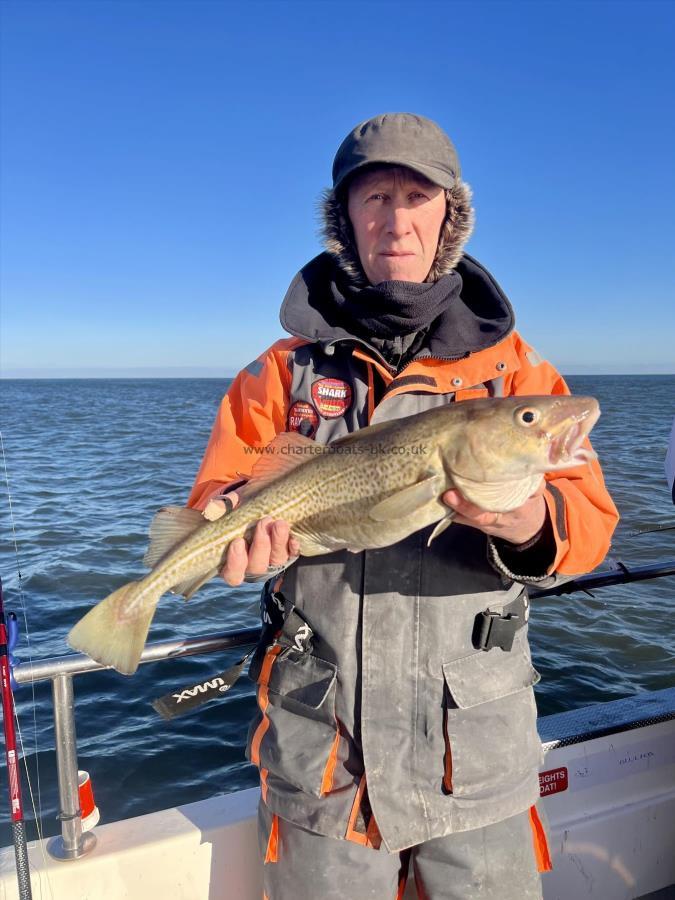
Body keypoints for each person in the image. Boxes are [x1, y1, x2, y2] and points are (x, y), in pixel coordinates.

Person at [188, 113, 619, 900]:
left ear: (448, 215)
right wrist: (229, 537)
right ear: (344, 218)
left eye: (416, 196)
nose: (394, 218)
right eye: (374, 196)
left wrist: (527, 524)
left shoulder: (520, 375)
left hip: (475, 752)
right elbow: (217, 499)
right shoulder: (276, 374)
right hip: (323, 754)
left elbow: (587, 531)